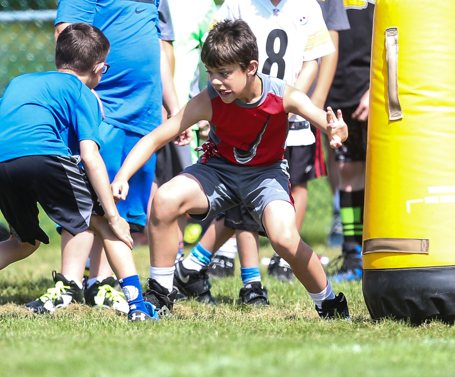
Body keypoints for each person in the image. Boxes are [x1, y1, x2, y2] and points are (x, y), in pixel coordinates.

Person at [112, 19, 351, 319]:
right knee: (164, 200)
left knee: (285, 239)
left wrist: (337, 130)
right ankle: (160, 296)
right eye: (211, 73)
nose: (215, 81)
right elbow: (156, 137)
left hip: (265, 175)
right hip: (218, 171)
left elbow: (323, 120)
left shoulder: (282, 95)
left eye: (224, 73)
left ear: (250, 68)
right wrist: (122, 176)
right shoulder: (210, 100)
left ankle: (328, 303)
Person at [0, 24, 157, 322]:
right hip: (44, 155)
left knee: (23, 241)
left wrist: (1, 158)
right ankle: (137, 306)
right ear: (101, 68)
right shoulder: (81, 92)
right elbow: (89, 155)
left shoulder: (20, 83)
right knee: (101, 223)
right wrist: (113, 215)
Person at [25, 0, 186, 314]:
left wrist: (174, 107)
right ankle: (68, 283)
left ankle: (101, 283)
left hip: (144, 117)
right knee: (89, 203)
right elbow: (69, 41)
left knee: (123, 207)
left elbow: (156, 54)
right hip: (105, 112)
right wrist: (84, 99)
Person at [221, 0, 349, 284]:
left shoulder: (307, 6)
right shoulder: (238, 4)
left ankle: (284, 259)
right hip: (246, 117)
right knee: (242, 192)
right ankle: (249, 279)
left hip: (290, 120)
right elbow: (218, 56)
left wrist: (292, 99)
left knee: (296, 184)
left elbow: (314, 57)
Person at [326, 0, 416, 282]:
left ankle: (393, 249)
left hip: (377, 86)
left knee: (385, 170)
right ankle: (352, 255)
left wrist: (377, 85)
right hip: (340, 85)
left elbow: (411, 25)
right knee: (347, 171)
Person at [140, 0, 218, 262]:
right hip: (136, 107)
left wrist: (211, 108)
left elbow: (216, 57)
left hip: (183, 111)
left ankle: (177, 257)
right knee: (144, 185)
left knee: (182, 183)